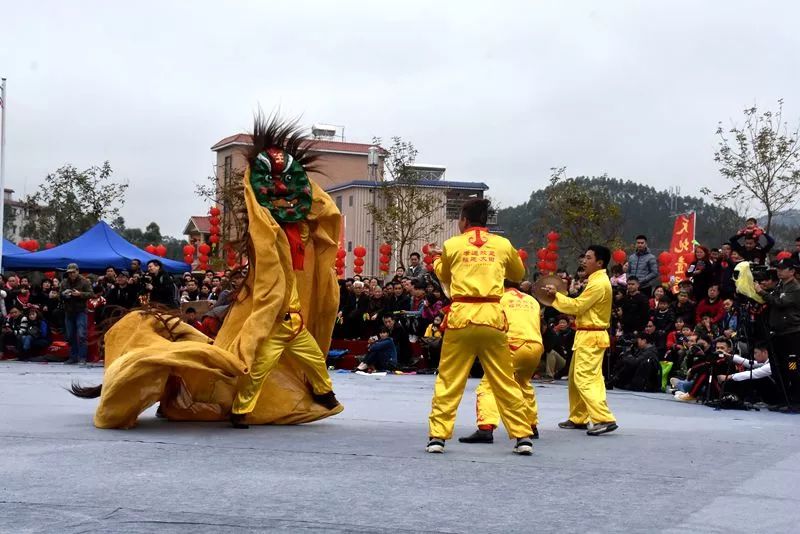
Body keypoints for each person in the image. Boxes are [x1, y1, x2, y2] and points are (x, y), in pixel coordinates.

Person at [426, 198, 534, 455]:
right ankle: (522, 437)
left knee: (449, 379)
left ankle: (437, 437)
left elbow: (444, 275)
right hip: (493, 317)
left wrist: (437, 259)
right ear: (486, 220)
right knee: (504, 380)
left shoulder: (452, 244)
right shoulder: (502, 244)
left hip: (461, 316)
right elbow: (519, 274)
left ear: (463, 220)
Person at [544, 245, 618, 435]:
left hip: (591, 334)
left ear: (599, 262)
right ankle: (578, 417)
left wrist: (556, 297)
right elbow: (581, 304)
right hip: (587, 334)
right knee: (577, 378)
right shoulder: (596, 280)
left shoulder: (598, 283)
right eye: (584, 257)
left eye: (588, 258)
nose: (584, 261)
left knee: (585, 378)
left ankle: (603, 418)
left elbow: (578, 307)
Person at [459, 279, 545, 444]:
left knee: (489, 386)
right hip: (535, 346)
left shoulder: (498, 299)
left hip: (512, 345)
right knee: (523, 384)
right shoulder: (531, 300)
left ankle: (486, 427)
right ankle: (531, 425)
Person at [755, 258, 800, 403]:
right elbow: (773, 299)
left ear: (792, 271)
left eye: (783, 269)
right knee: (777, 366)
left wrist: (761, 292)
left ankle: (794, 399)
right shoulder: (780, 285)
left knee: (792, 366)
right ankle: (783, 398)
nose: (779, 271)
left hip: (791, 333)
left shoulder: (795, 288)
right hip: (778, 332)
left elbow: (780, 302)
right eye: (778, 268)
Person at [61, 263, 93, 365]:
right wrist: (64, 294)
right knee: (70, 335)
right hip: (68, 311)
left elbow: (91, 294)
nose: (71, 274)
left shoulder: (85, 281)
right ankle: (73, 357)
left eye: (73, 272)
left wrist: (80, 294)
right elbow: (59, 295)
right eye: (69, 273)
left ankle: (82, 357)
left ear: (78, 271)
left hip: (81, 311)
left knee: (81, 334)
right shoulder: (64, 282)